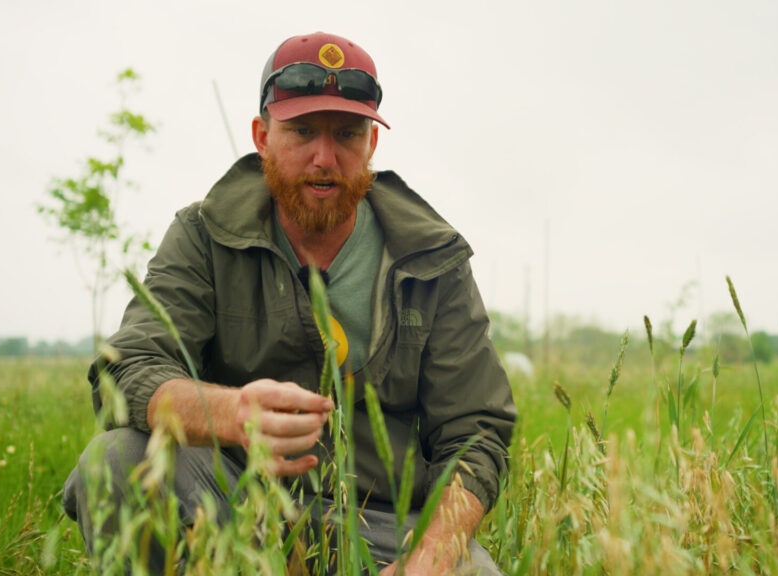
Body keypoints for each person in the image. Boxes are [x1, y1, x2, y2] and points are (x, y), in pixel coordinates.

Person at [63, 31, 516, 575]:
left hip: (381, 525)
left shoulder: (432, 259)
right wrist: (229, 413)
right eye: (301, 131)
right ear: (262, 135)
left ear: (371, 142)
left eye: (347, 133)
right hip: (231, 498)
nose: (324, 158)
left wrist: (434, 553)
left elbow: (476, 433)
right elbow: (127, 372)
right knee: (115, 463)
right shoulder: (204, 234)